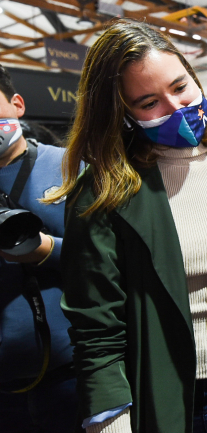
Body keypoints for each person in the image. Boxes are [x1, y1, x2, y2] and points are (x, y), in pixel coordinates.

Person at [44, 20, 207, 433]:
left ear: (193, 77)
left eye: (180, 87)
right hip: (155, 404)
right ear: (122, 114)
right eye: (149, 102)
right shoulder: (102, 192)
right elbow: (96, 332)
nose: (176, 107)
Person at [0, 65, 78, 432]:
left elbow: (117, 259)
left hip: (71, 374)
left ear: (17, 104)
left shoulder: (69, 167)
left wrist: (46, 249)